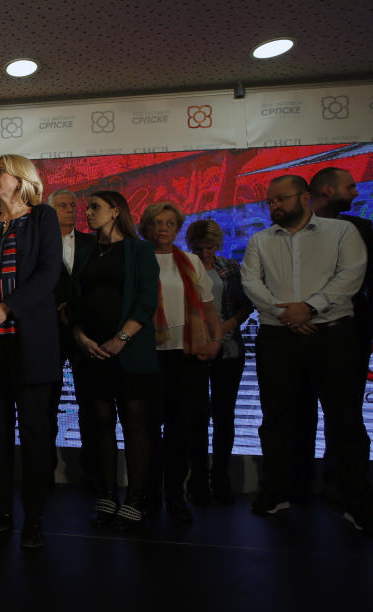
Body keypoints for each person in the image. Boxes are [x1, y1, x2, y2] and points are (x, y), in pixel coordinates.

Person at [241, 174, 373, 535]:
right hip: (278, 338)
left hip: (333, 336)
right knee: (278, 419)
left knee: (345, 420)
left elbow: (351, 275)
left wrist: (310, 308)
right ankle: (279, 491)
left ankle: (357, 502)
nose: (274, 206)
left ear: (304, 196)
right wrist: (288, 314)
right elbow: (251, 283)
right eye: (270, 202)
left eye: (281, 199)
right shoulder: (259, 239)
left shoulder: (342, 232)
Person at [0, 155, 62, 550]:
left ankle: (34, 518)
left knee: (36, 435)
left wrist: (6, 308)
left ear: (20, 180)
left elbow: (48, 274)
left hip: (30, 345)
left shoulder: (43, 219)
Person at [69, 191, 159, 532]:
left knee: (135, 421)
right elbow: (75, 300)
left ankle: (136, 497)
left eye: (95, 208)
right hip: (92, 350)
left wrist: (121, 339)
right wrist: (79, 336)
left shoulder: (140, 250)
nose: (87, 214)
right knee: (100, 420)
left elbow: (147, 300)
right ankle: (107, 494)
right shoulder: (87, 251)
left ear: (115, 211)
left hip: (129, 350)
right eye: (87, 208)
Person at [140, 201, 222, 521]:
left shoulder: (190, 261)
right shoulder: (137, 258)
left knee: (180, 429)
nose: (163, 228)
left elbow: (209, 308)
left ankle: (175, 494)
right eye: (157, 223)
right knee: (147, 429)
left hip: (185, 355)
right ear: (147, 227)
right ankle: (148, 493)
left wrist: (215, 340)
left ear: (177, 229)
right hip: (146, 354)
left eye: (170, 223)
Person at [307, 166, 373, 492]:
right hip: (303, 332)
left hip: (351, 333)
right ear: (327, 191)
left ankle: (350, 487)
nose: (356, 193)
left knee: (346, 413)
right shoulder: (293, 229)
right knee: (299, 410)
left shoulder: (361, 228)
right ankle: (298, 481)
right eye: (350, 187)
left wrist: (367, 323)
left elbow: (370, 280)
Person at [185, 219, 253, 505]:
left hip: (229, 350)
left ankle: (220, 475)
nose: (204, 254)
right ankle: (198, 476)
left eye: (209, 248)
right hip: (194, 351)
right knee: (197, 416)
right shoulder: (183, 269)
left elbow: (245, 305)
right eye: (199, 249)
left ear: (218, 245)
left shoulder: (231, 268)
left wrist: (226, 327)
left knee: (224, 415)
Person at [46, 189, 96, 488]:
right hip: (48, 332)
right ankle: (45, 470)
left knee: (90, 403)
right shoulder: (38, 245)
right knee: (46, 405)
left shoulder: (93, 243)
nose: (70, 209)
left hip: (85, 332)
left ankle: (92, 472)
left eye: (73, 205)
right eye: (62, 205)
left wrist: (77, 309)